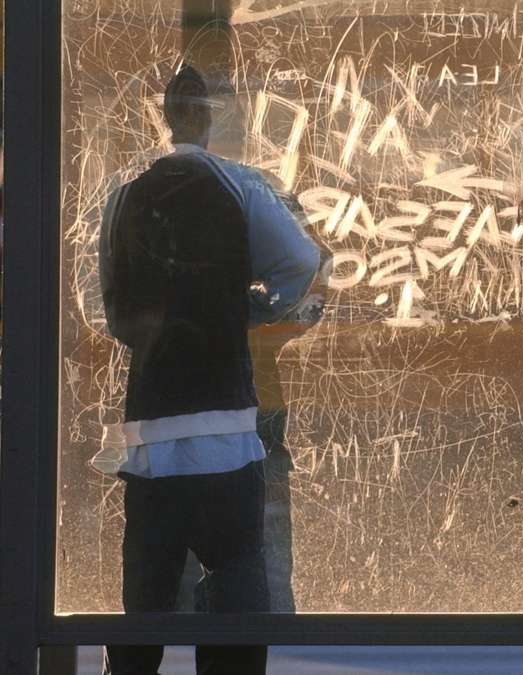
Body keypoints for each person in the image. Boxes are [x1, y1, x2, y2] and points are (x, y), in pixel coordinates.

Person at [98, 63, 320, 675]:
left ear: (164, 115)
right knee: (237, 574)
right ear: (209, 116)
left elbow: (112, 311)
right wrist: (248, 310)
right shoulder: (240, 186)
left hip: (151, 433)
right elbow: (298, 264)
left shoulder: (124, 196)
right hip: (226, 428)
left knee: (146, 594)